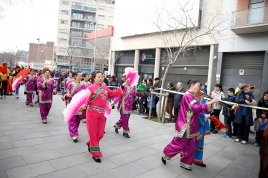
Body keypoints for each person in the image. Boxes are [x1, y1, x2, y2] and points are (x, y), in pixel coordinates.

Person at [161, 79, 218, 171]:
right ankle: (166, 154)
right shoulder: (188, 96)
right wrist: (210, 102)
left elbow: (199, 110)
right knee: (180, 144)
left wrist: (209, 105)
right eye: (198, 86)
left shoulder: (192, 96)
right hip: (186, 125)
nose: (199, 88)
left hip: (193, 125)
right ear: (192, 85)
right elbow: (196, 108)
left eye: (200, 87)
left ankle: (186, 163)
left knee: (192, 146)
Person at [80, 71, 128, 163]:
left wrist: (123, 85)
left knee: (100, 134)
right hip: (91, 114)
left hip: (101, 114)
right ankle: (95, 153)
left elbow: (114, 93)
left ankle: (90, 144)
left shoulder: (105, 88)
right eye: (98, 77)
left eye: (102, 76)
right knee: (93, 134)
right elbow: (86, 99)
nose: (101, 78)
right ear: (94, 78)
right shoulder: (90, 88)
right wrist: (84, 106)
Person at [65, 72, 87, 142]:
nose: (81, 77)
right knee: (72, 119)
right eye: (79, 76)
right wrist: (67, 95)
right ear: (75, 76)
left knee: (77, 119)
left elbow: (86, 94)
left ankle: (73, 131)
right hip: (72, 103)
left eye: (81, 76)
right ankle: (74, 134)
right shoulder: (70, 84)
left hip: (80, 104)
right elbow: (67, 92)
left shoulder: (83, 85)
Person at [113, 73, 136, 138]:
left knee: (125, 119)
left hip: (130, 106)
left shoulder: (133, 86)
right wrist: (113, 102)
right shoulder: (123, 86)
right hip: (123, 105)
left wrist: (142, 92)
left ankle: (117, 125)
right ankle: (126, 131)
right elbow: (118, 95)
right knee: (125, 119)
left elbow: (136, 94)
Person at [194, 89, 211, 167]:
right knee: (190, 141)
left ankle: (197, 159)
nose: (201, 91)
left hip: (201, 124)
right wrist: (204, 116)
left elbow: (207, 110)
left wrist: (210, 107)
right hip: (193, 124)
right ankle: (186, 156)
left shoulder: (203, 99)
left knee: (200, 142)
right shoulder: (191, 98)